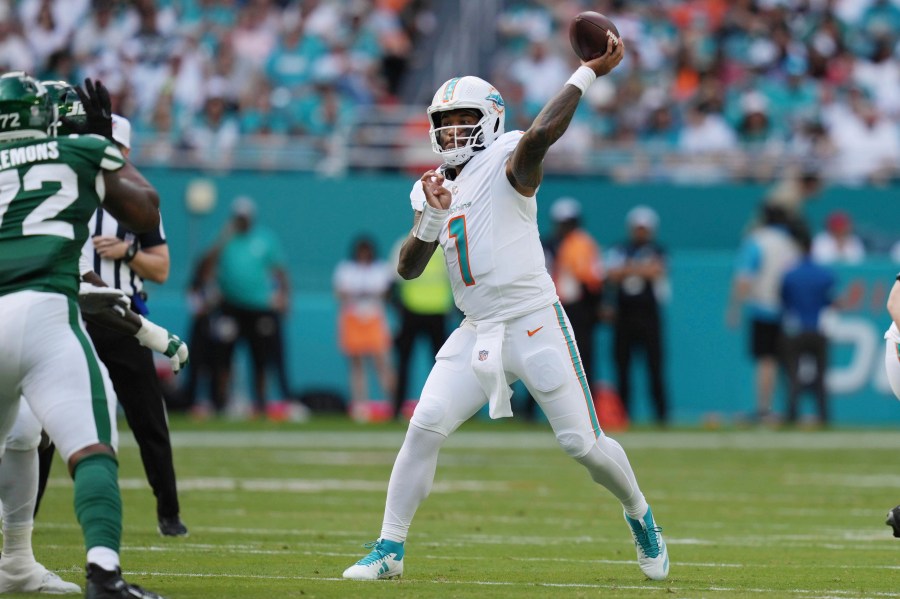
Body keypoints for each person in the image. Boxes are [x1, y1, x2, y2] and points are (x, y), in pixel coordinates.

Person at [344, 38, 670, 583]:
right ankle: (390, 548)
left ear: (492, 120)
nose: (452, 132)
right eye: (444, 122)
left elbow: (540, 135)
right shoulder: (430, 188)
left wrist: (586, 73)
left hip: (534, 318)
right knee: (423, 426)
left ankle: (639, 513)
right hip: (477, 328)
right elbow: (407, 268)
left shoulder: (509, 157)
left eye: (463, 120)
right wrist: (431, 218)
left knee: (583, 445)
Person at [0, 73, 167, 598]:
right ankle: (103, 574)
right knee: (92, 443)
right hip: (45, 312)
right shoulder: (75, 152)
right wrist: (102, 145)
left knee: (21, 437)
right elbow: (145, 208)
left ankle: (16, 562)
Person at [212, 196, 293, 419]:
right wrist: (222, 239)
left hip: (259, 307)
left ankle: (261, 402)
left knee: (261, 358)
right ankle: (221, 402)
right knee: (224, 356)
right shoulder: (225, 238)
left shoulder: (265, 239)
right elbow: (207, 264)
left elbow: (280, 270)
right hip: (230, 307)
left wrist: (285, 297)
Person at [727, 203, 801, 424]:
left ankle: (763, 409)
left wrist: (735, 308)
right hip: (789, 311)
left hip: (764, 308)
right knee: (789, 363)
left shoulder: (757, 241)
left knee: (766, 361)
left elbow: (744, 277)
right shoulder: (791, 243)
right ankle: (791, 410)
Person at [605, 206, 669, 425]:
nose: (641, 232)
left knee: (655, 367)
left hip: (649, 315)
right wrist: (640, 268)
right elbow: (611, 274)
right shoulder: (619, 248)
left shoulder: (658, 249)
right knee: (622, 367)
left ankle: (661, 415)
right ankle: (623, 414)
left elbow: (657, 270)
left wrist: (628, 269)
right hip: (624, 315)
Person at [333, 236, 397, 422]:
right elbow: (340, 292)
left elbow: (386, 292)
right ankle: (360, 405)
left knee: (382, 363)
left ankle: (394, 402)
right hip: (353, 318)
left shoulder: (380, 268)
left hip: (374, 318)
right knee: (357, 364)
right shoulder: (346, 269)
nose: (363, 255)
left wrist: (366, 293)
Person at [390, 241, 453, 420]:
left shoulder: (409, 243)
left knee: (440, 365)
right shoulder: (444, 245)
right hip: (417, 311)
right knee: (433, 365)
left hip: (432, 311)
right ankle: (398, 408)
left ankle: (400, 409)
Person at [779, 232, 837, 426]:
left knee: (793, 374)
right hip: (819, 329)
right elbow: (830, 300)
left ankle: (792, 414)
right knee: (821, 375)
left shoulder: (789, 275)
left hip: (795, 329)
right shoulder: (824, 274)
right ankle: (823, 415)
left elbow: (783, 300)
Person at [546, 197, 604, 389]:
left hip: (579, 307)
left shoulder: (582, 243)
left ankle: (587, 398)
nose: (566, 228)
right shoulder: (548, 245)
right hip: (551, 307)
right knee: (548, 356)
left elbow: (592, 278)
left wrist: (596, 305)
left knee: (582, 356)